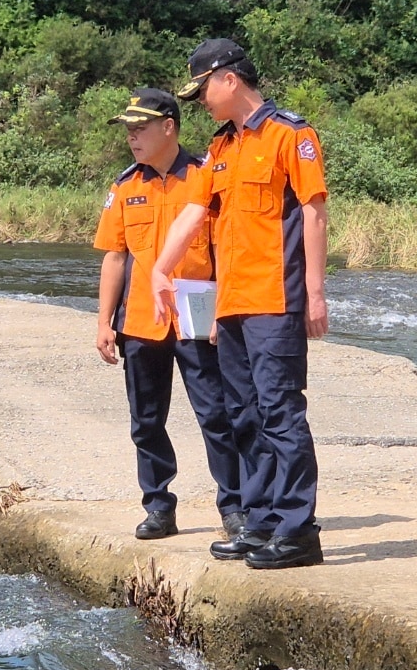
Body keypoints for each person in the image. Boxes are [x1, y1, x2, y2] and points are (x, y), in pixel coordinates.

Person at [148, 38, 329, 570]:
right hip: (231, 303)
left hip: (277, 298)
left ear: (229, 79)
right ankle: (261, 521)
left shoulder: (290, 136)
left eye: (202, 88)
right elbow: (193, 212)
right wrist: (162, 267)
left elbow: (314, 214)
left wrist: (315, 292)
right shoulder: (221, 148)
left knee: (280, 413)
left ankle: (298, 531)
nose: (200, 100)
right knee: (244, 416)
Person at [93, 88, 243, 541]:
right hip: (140, 320)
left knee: (216, 415)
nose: (132, 138)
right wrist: (103, 322)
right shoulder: (125, 186)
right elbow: (114, 257)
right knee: (145, 420)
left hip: (198, 318)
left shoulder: (205, 177)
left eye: (140, 129)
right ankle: (158, 506)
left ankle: (234, 507)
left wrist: (225, 313)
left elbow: (224, 249)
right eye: (128, 131)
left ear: (169, 127)